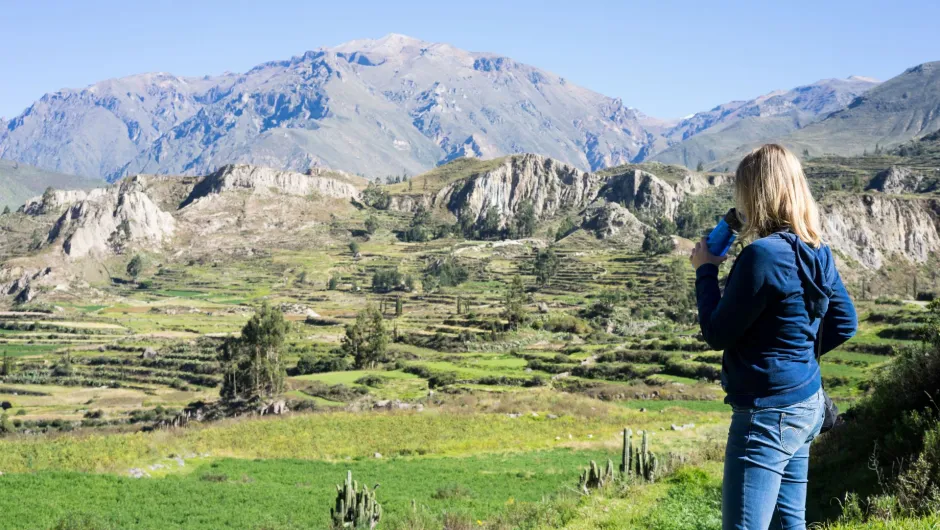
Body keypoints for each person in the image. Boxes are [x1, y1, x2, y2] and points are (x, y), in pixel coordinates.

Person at [689, 144, 858, 530]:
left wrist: (705, 270)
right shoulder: (817, 250)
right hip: (806, 403)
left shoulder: (762, 256)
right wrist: (795, 358)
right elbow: (845, 323)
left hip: (767, 415)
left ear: (754, 193)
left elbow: (716, 333)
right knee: (789, 524)